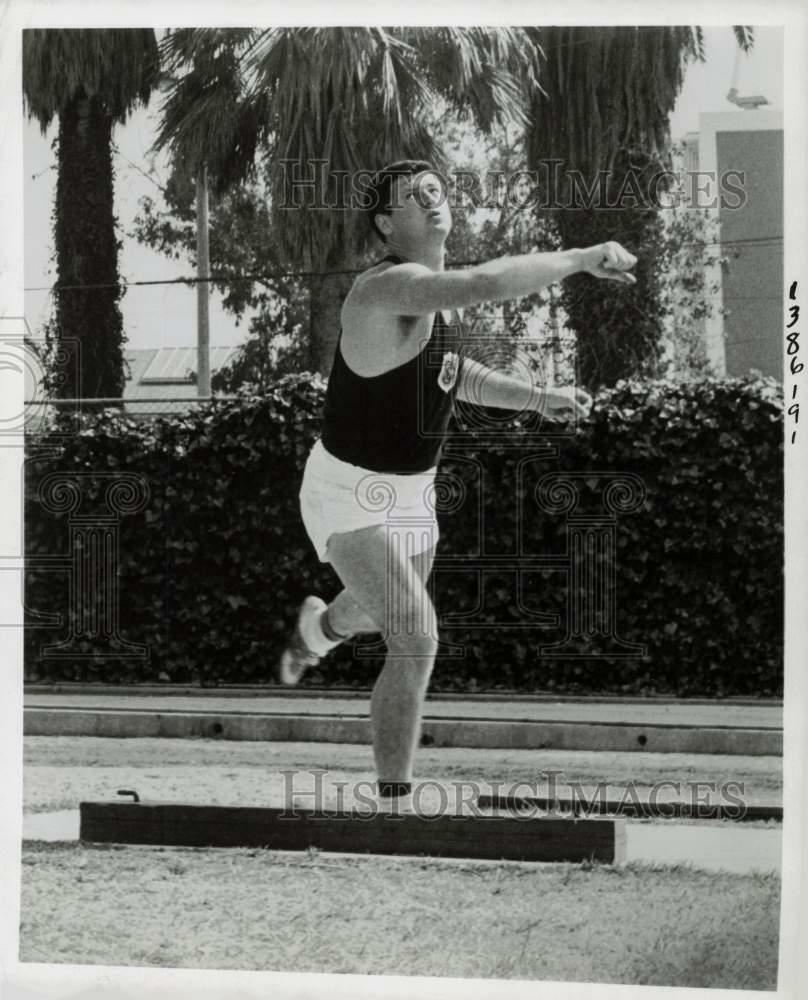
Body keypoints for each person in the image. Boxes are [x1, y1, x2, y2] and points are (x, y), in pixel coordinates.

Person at [278, 159, 637, 813]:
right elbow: (485, 281)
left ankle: (316, 632)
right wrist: (581, 256)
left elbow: (456, 375)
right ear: (387, 223)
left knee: (369, 612)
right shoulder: (386, 290)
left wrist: (537, 397)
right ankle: (393, 807)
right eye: (413, 196)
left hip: (413, 494)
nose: (432, 198)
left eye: (437, 190)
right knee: (416, 635)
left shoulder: (431, 306)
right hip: (347, 489)